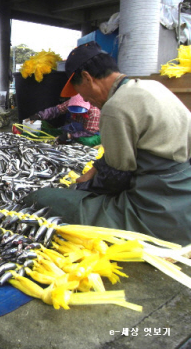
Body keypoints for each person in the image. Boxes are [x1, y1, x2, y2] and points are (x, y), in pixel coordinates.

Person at [24, 41, 191, 246]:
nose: (87, 100)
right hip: (185, 201)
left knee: (43, 198)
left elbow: (116, 179)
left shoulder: (116, 107)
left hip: (157, 213)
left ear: (87, 77)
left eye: (83, 94)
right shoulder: (153, 87)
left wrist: (83, 189)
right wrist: (97, 167)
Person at [26, 94, 101, 146]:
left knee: (86, 141)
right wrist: (39, 115)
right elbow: (56, 110)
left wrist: (69, 136)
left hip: (93, 133)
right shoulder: (72, 102)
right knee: (58, 132)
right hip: (75, 127)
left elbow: (88, 132)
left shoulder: (94, 112)